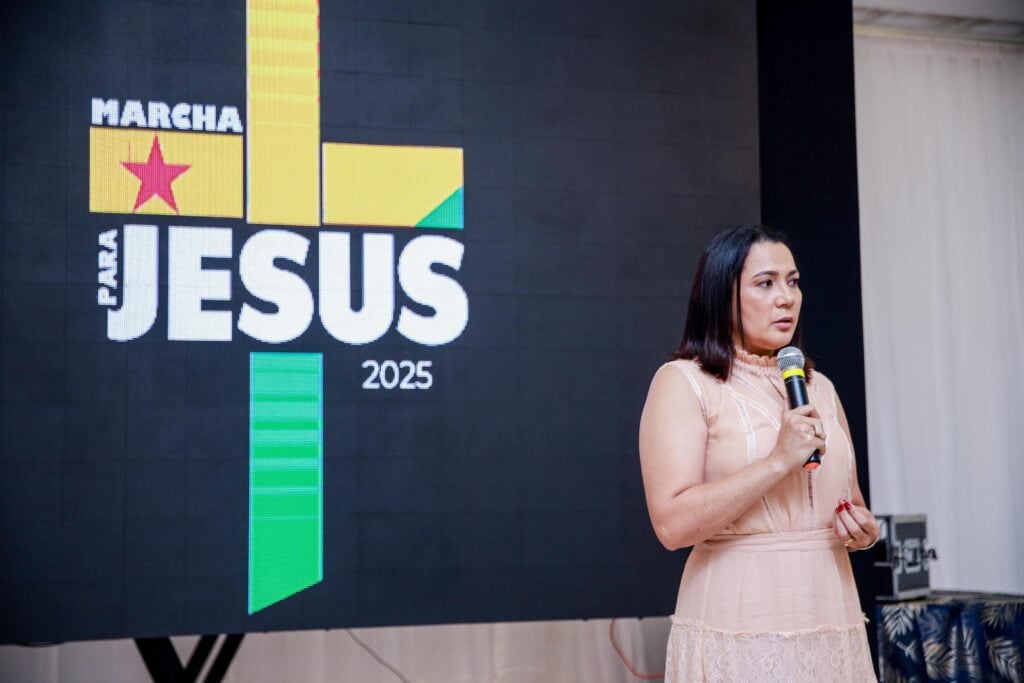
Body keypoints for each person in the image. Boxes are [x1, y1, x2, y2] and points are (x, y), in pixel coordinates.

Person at [639, 225, 879, 681]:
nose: (786, 298)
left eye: (793, 281)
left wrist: (861, 531)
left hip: (831, 613)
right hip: (740, 621)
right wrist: (777, 462)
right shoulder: (684, 382)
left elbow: (853, 505)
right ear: (721, 296)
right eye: (765, 283)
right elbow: (672, 525)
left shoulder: (819, 387)